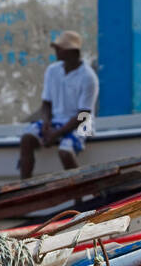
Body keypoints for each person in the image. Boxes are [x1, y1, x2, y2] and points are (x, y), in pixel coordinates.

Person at [18, 30, 99, 179]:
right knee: (26, 139)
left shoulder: (88, 77)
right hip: (58, 120)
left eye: (60, 48)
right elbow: (46, 103)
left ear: (73, 52)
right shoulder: (52, 70)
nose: (56, 51)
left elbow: (84, 115)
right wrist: (46, 124)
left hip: (84, 124)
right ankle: (24, 186)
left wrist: (56, 134)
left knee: (65, 152)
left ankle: (79, 193)